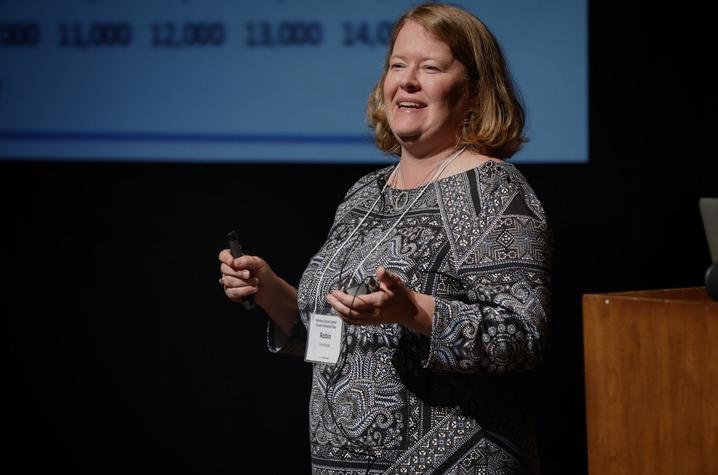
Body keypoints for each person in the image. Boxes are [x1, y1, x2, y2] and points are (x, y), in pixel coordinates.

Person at [219, 3, 551, 474]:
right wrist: (270, 289)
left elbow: (522, 336)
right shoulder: (365, 195)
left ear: (475, 92)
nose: (407, 80)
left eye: (430, 67)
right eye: (398, 65)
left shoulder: (492, 189)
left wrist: (412, 310)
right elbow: (334, 341)